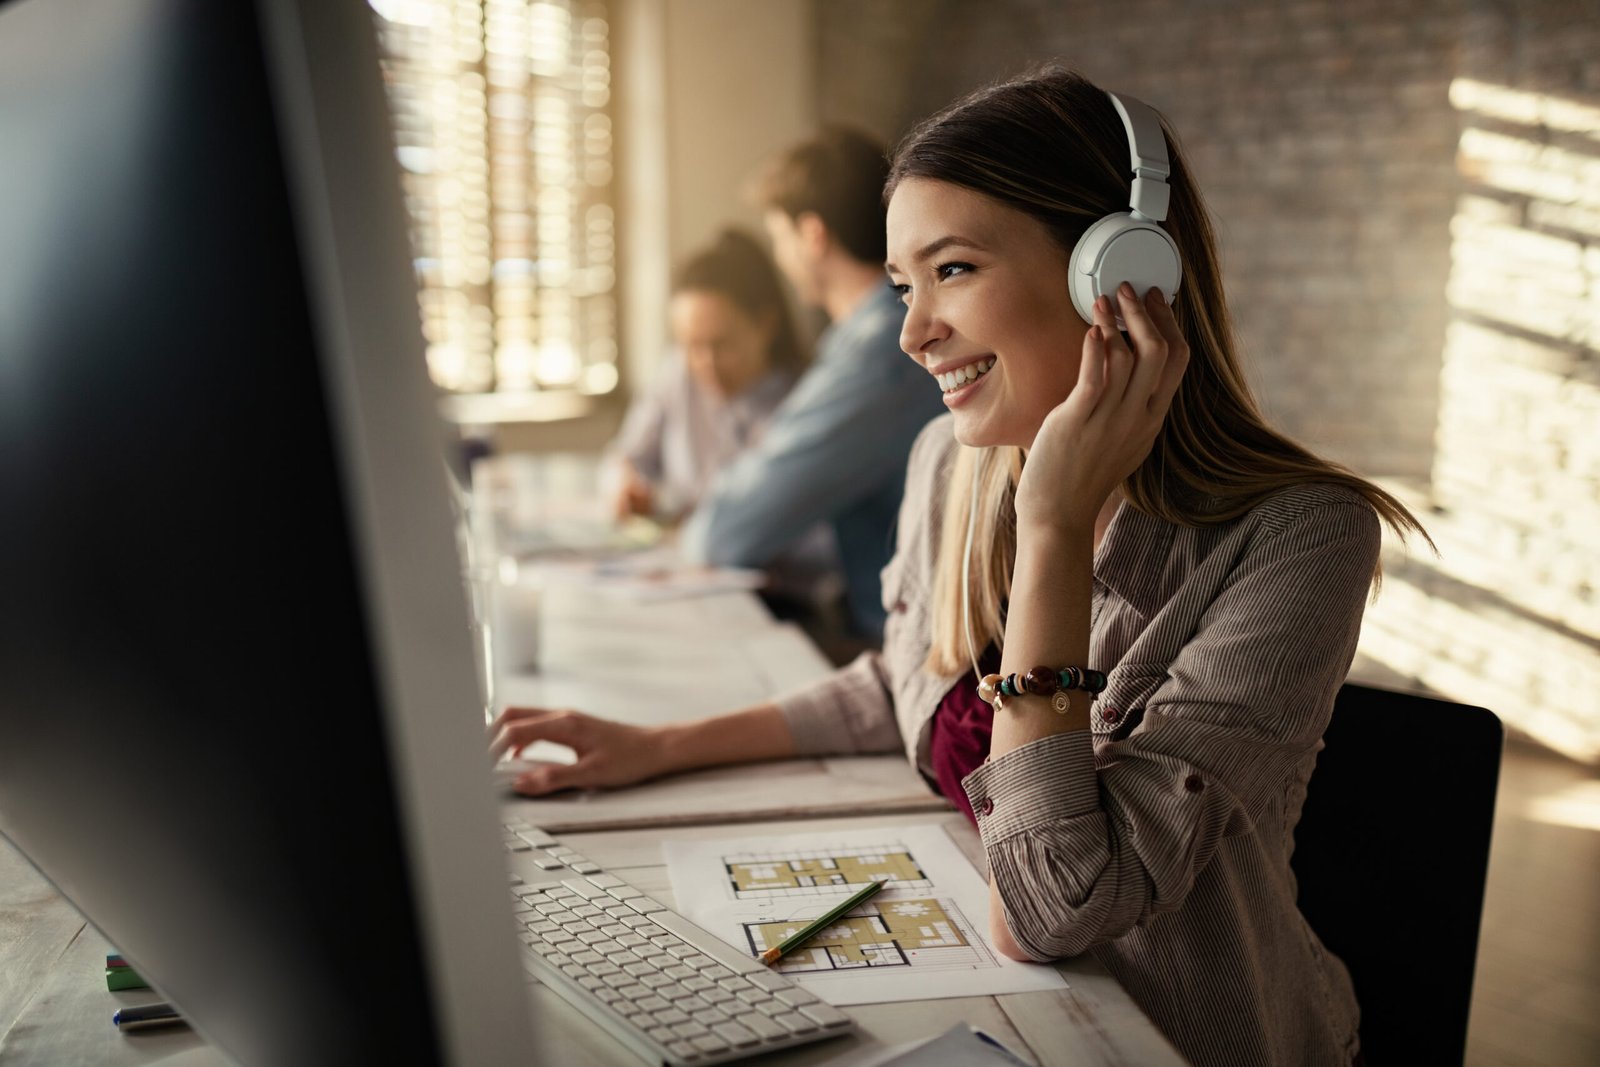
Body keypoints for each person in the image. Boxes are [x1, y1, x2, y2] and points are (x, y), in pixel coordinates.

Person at [491, 68, 1428, 1067]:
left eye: (953, 270)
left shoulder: (1298, 536)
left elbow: (1049, 909)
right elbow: (908, 678)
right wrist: (659, 746)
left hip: (1178, 1034)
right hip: (1011, 1002)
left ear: (1122, 272)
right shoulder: (955, 459)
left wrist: (1057, 527)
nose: (910, 331)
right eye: (902, 284)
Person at [677, 127, 947, 640]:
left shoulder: (880, 352)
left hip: (910, 651)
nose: (780, 257)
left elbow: (727, 533)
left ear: (812, 236)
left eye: (779, 237)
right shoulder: (873, 337)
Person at [605, 229, 803, 523]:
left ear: (766, 325)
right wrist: (626, 483)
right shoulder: (676, 374)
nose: (706, 363)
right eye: (691, 345)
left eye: (722, 344)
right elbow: (627, 456)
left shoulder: (803, 398)